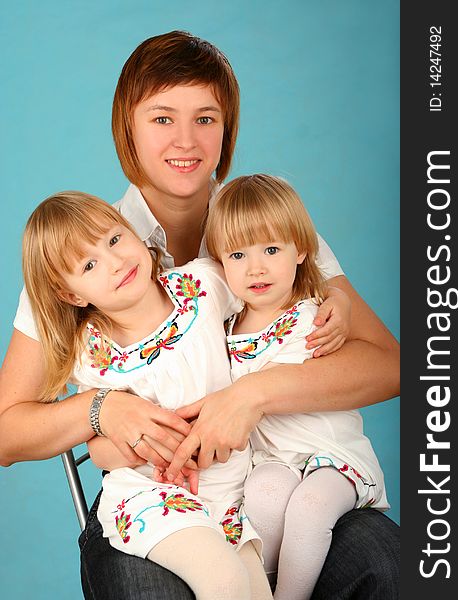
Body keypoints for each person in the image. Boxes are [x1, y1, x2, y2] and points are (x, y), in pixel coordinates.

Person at [0, 31, 400, 599]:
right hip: (162, 498)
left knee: (386, 564)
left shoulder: (263, 226)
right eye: (162, 118)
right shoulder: (85, 257)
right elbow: (5, 432)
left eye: (206, 119)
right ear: (128, 129)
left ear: (226, 130)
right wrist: (101, 409)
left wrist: (252, 395)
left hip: (281, 477)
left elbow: (391, 366)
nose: (185, 140)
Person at [22, 191, 273, 600]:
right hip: (153, 496)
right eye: (89, 265)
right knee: (224, 581)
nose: (116, 262)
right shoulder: (95, 352)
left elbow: (273, 298)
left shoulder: (201, 286)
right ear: (73, 296)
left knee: (257, 591)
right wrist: (163, 449)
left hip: (229, 492)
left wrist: (333, 300)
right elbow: (101, 452)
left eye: (115, 240)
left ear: (136, 234)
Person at [204, 174, 390, 599]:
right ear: (220, 263)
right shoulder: (225, 330)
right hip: (273, 458)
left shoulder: (317, 318)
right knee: (263, 498)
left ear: (302, 250)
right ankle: (259, 590)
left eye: (272, 249)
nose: (256, 267)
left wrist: (338, 300)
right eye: (238, 254)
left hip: (332, 459)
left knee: (309, 508)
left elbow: (379, 364)